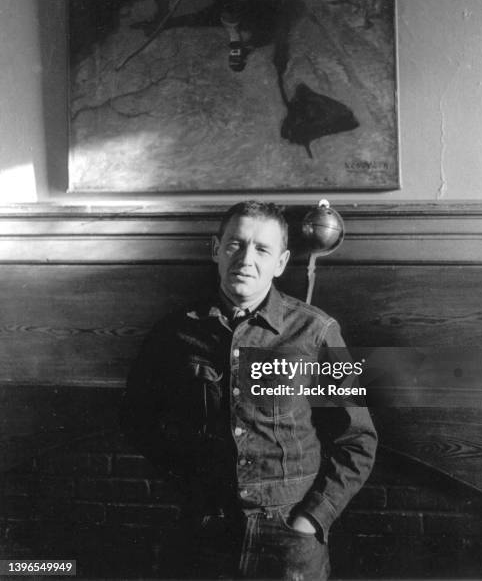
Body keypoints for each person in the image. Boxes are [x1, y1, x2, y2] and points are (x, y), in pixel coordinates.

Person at [121, 200, 377, 580]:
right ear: (215, 250)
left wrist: (312, 518)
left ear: (281, 262)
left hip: (291, 541)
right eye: (235, 244)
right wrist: (190, 490)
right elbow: (138, 420)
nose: (245, 259)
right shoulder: (174, 333)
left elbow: (358, 439)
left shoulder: (318, 331)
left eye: (262, 249)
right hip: (204, 534)